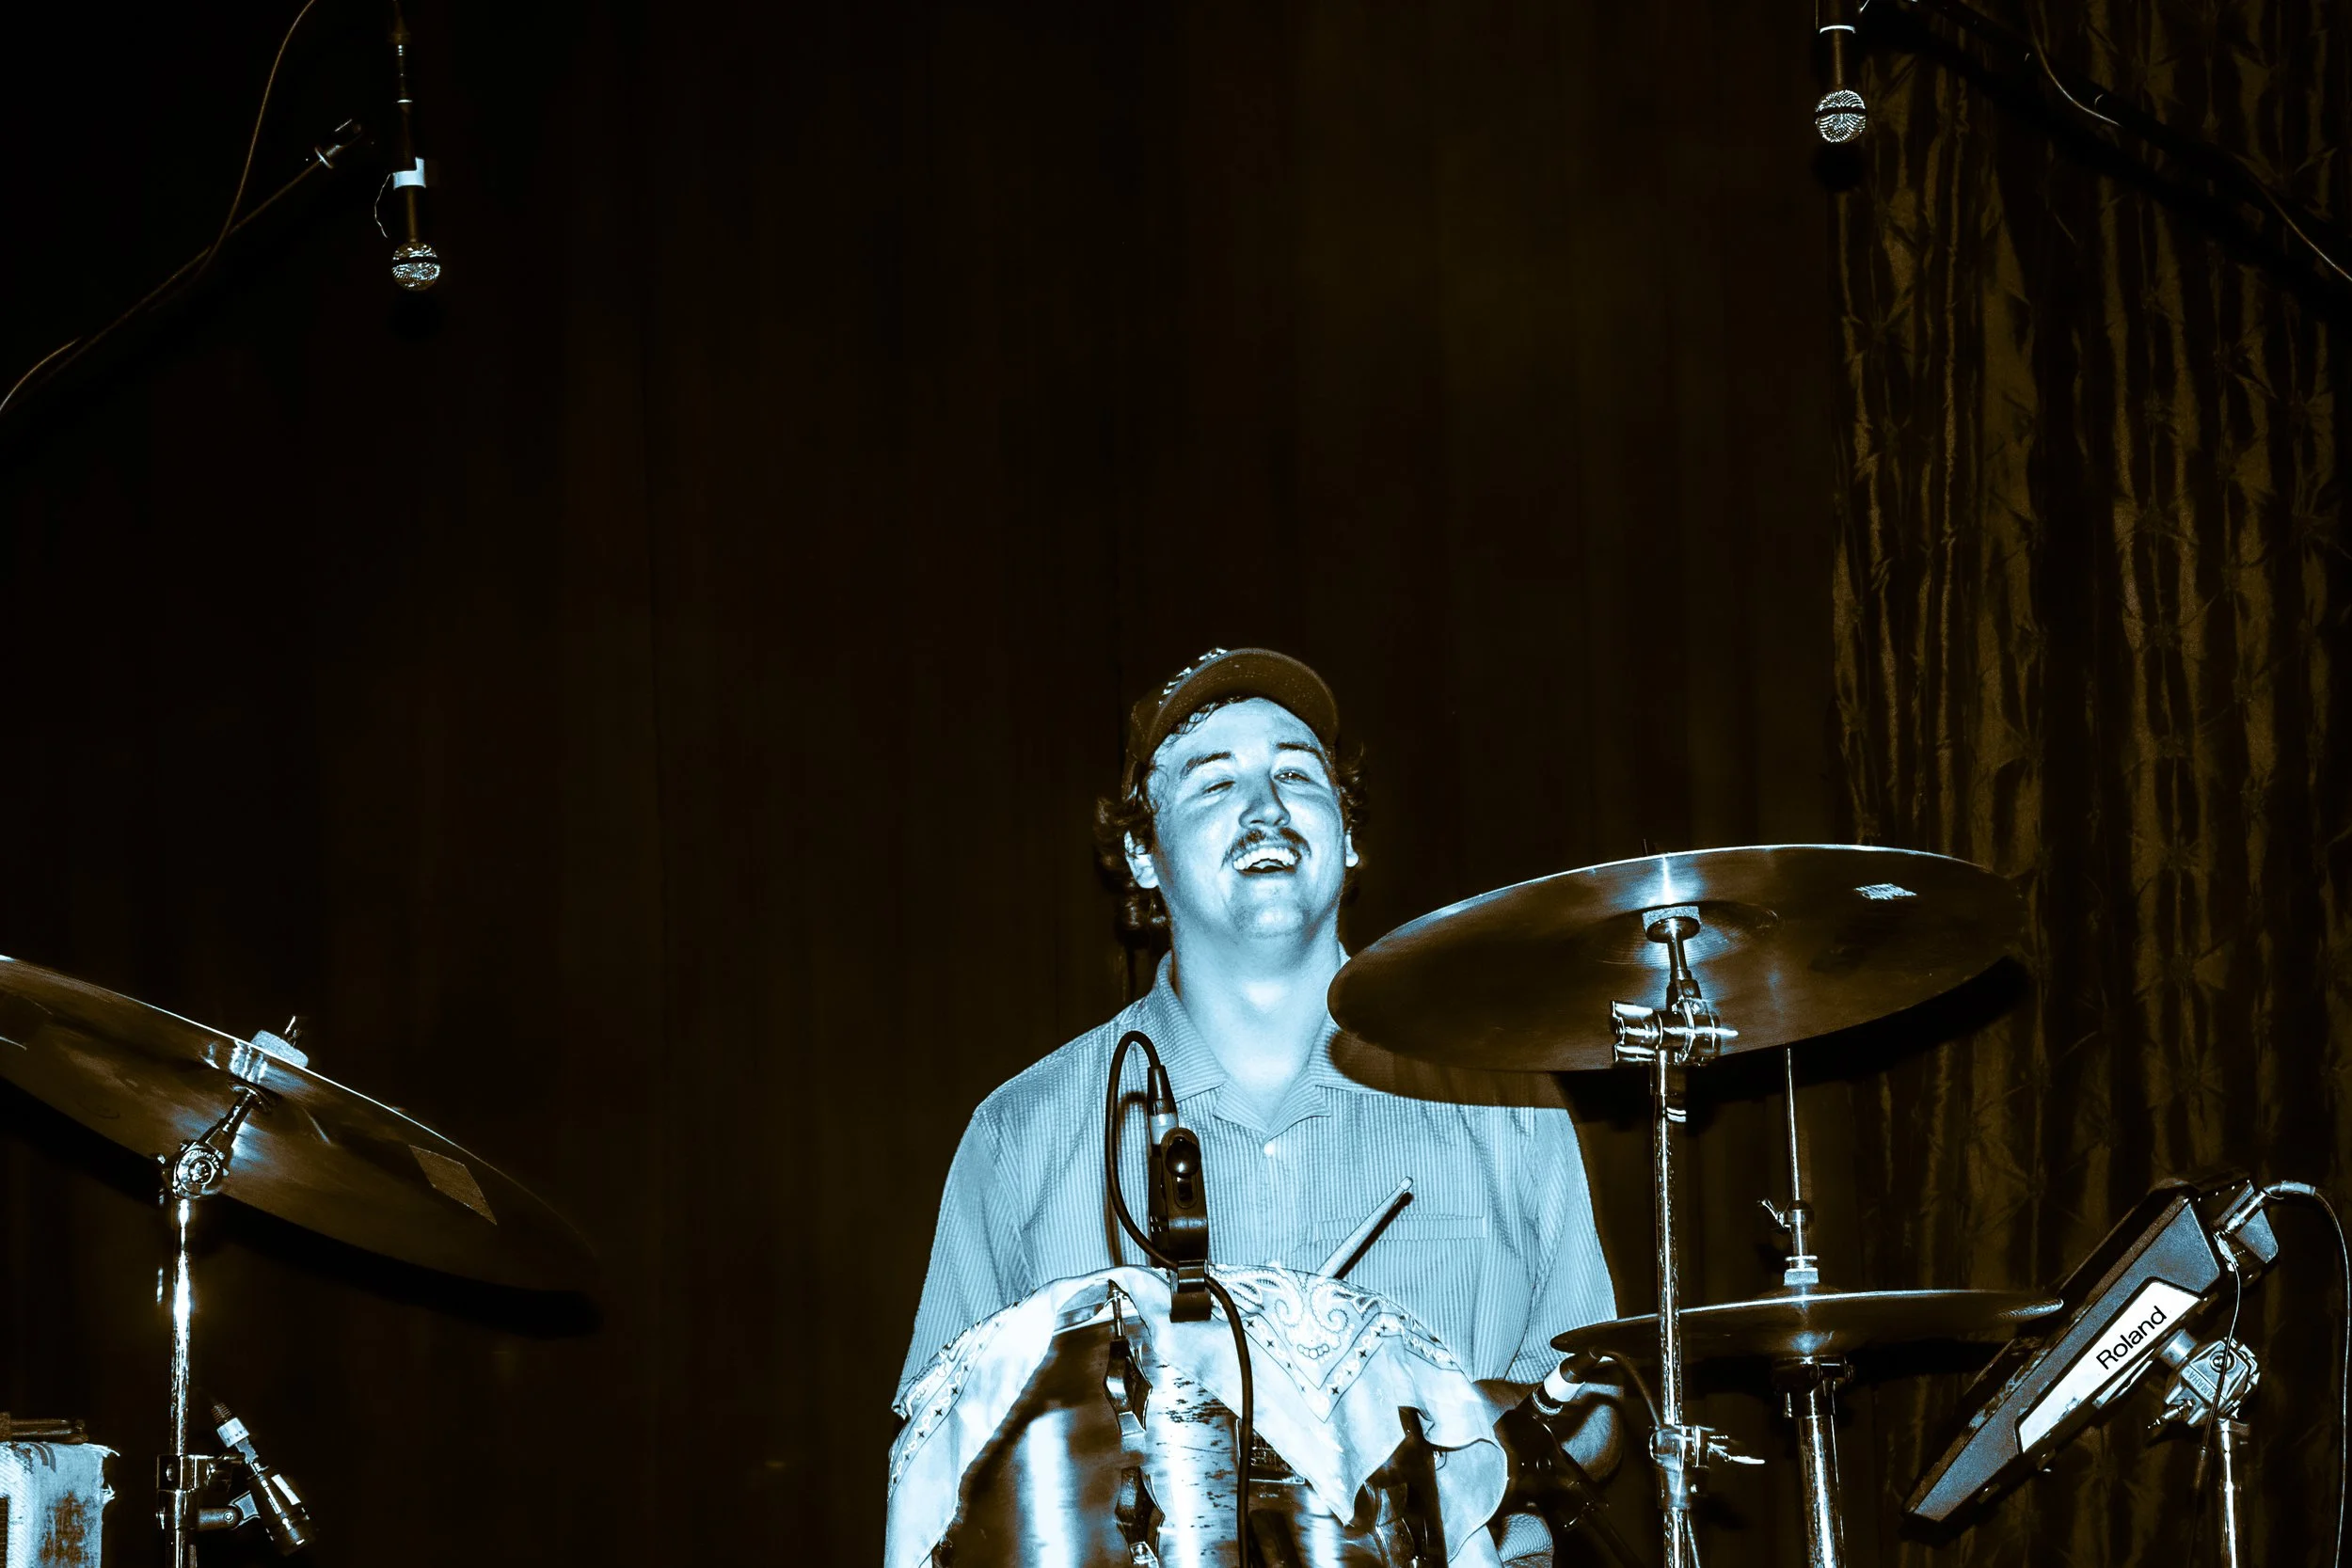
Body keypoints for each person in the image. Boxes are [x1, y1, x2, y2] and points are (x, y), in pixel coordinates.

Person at [896, 647, 1619, 1562]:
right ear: (1138, 852)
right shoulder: (1019, 1131)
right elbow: (941, 1453)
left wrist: (1471, 1431)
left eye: (1294, 772)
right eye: (1213, 783)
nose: (1264, 807)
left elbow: (1591, 1406)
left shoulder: (1500, 1090)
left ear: (1350, 838)